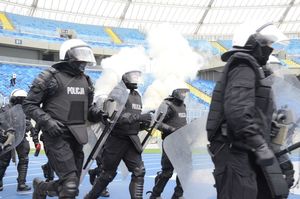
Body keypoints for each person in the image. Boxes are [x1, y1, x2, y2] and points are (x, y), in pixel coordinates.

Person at [206, 22, 294, 199]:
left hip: (244, 148)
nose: (270, 49)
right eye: (267, 44)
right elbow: (238, 111)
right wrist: (259, 144)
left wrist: (269, 127)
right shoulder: (243, 67)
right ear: (252, 42)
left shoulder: (250, 68)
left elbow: (250, 111)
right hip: (234, 149)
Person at [23, 39, 102, 199]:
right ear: (67, 57)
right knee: (70, 186)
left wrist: (100, 113)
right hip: (56, 136)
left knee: (71, 186)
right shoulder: (48, 77)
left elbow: (87, 111)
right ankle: (42, 187)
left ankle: (41, 187)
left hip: (78, 137)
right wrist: (47, 121)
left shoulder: (87, 81)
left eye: (85, 59)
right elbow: (29, 104)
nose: (84, 62)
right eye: (80, 58)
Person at [84, 70, 153, 199]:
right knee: (107, 174)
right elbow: (115, 117)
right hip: (116, 141)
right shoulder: (117, 92)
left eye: (137, 77)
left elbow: (134, 118)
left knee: (139, 171)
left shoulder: (136, 95)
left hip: (132, 139)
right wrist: (140, 117)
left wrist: (144, 123)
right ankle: (90, 197)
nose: (136, 79)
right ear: (126, 79)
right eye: (133, 77)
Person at [148, 88, 189, 199]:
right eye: (183, 93)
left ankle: (178, 195)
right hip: (170, 142)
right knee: (167, 172)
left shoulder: (183, 106)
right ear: (176, 94)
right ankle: (155, 195)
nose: (184, 95)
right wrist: (172, 130)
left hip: (182, 142)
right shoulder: (167, 105)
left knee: (185, 170)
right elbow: (157, 123)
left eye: (185, 93)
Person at [0, 89, 37, 193]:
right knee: (3, 161)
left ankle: (21, 183)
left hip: (21, 137)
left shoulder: (26, 111)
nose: (21, 101)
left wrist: (35, 139)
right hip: (7, 137)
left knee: (24, 160)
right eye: (19, 99)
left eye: (23, 99)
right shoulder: (5, 109)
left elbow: (29, 125)